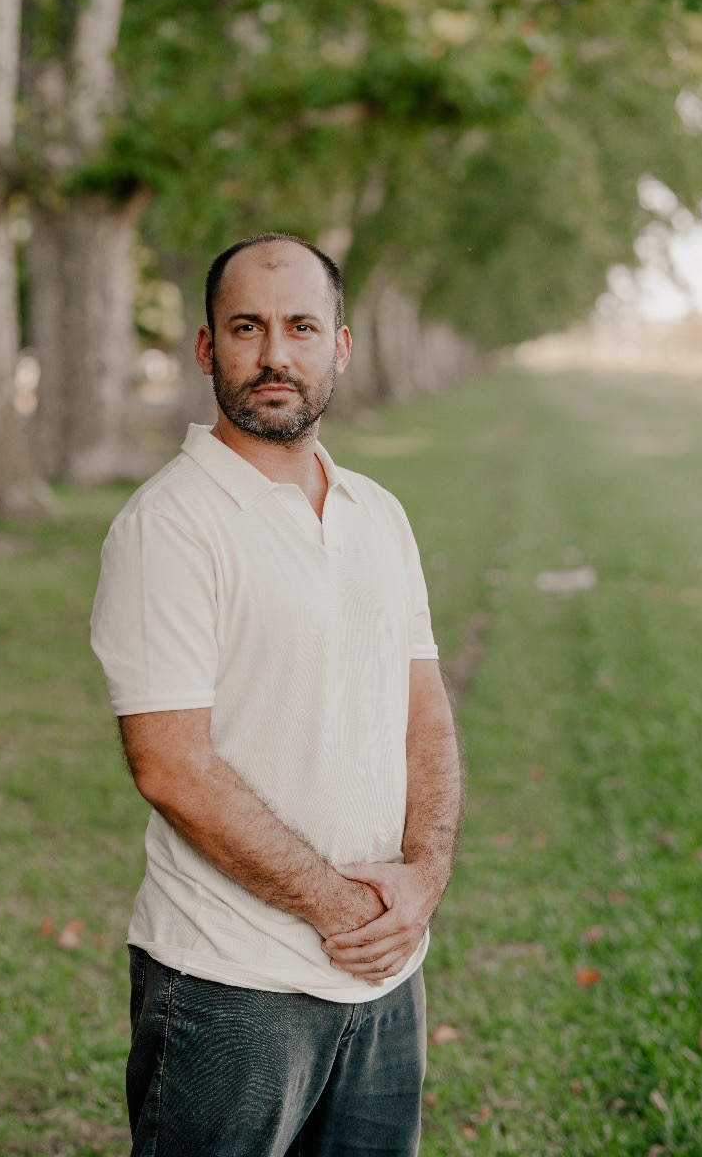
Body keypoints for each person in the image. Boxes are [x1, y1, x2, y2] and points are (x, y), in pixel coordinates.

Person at [90, 232, 463, 1157]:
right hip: (230, 983)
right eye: (246, 327)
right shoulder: (169, 527)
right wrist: (343, 911)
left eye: (300, 327)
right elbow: (171, 767)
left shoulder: (378, 513)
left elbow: (423, 711)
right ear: (206, 347)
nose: (273, 355)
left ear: (340, 345)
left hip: (385, 973)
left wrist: (422, 880)